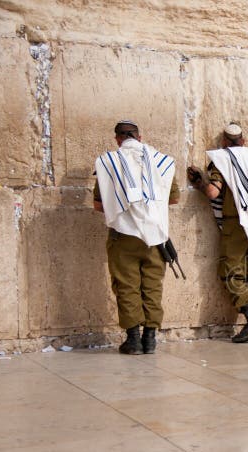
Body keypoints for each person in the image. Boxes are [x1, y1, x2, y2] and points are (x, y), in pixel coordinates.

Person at [187, 123, 248, 343]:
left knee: (229, 270)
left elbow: (213, 192)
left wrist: (199, 183)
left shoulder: (222, 160)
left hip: (238, 222)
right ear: (244, 140)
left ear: (224, 142)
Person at [94, 120, 179, 355]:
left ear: (118, 139)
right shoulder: (163, 162)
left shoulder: (108, 163)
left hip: (124, 236)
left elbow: (98, 205)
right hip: (156, 236)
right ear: (140, 137)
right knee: (152, 287)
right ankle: (150, 339)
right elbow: (173, 199)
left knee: (127, 286)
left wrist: (123, 205)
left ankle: (133, 341)